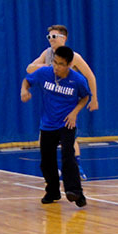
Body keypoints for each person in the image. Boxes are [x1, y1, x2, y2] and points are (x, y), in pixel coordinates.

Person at [21, 45, 90, 207]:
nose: (56, 67)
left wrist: (74, 113)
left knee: (68, 155)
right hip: (48, 124)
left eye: (61, 64)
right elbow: (27, 80)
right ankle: (52, 191)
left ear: (69, 65)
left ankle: (75, 192)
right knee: (46, 161)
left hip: (67, 123)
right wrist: (24, 90)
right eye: (55, 62)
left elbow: (85, 97)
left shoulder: (78, 80)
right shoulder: (44, 73)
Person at [27, 25, 98, 180]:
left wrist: (94, 98)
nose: (50, 40)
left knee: (69, 136)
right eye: (49, 37)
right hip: (51, 102)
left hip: (67, 102)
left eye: (54, 37)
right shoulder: (47, 54)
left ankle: (77, 167)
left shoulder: (73, 57)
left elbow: (90, 76)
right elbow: (29, 68)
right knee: (44, 139)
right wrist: (44, 66)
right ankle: (52, 169)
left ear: (63, 38)